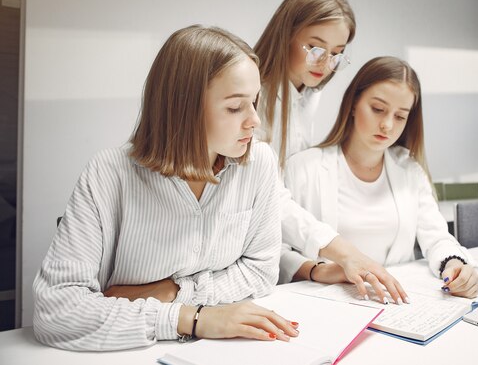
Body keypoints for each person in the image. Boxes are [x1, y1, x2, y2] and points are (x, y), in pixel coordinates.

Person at [32, 26, 299, 351]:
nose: (254, 121)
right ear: (183, 108)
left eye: (254, 101)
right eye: (234, 107)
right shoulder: (108, 173)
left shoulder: (259, 163)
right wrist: (193, 318)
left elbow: (260, 272)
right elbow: (56, 310)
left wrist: (171, 292)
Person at [255, 0, 409, 304]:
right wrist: (342, 250)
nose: (325, 62)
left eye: (337, 53)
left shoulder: (307, 96)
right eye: (314, 47)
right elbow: (269, 197)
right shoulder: (255, 100)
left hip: (287, 259)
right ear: (285, 34)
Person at [282, 56, 478, 299]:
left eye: (400, 116)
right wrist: (317, 271)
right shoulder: (303, 167)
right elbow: (276, 251)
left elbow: (437, 237)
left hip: (394, 301)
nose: (387, 125)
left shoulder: (409, 170)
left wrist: (454, 265)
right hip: (326, 299)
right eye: (378, 109)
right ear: (354, 103)